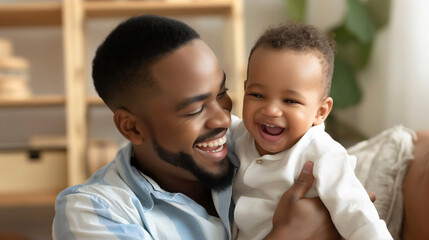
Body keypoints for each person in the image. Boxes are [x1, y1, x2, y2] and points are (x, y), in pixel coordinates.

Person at [52, 15, 340, 239]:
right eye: (194, 109)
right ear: (132, 128)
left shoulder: (253, 141)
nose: (224, 120)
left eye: (221, 93)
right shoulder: (94, 212)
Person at [229, 23, 392, 239]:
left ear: (321, 111)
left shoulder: (322, 154)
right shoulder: (238, 134)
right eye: (257, 95)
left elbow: (358, 216)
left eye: (290, 100)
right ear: (245, 89)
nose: (270, 109)